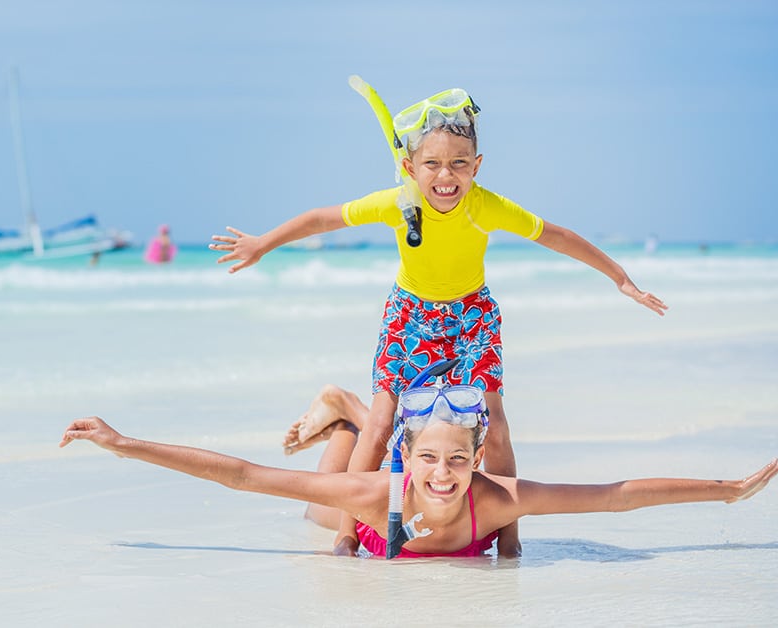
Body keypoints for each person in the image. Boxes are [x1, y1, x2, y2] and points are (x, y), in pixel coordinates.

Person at [210, 86, 669, 557]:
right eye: (432, 164)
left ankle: (510, 538)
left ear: (477, 165)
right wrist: (263, 243)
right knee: (383, 423)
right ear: (410, 167)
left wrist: (621, 279)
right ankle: (346, 534)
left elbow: (557, 236)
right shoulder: (397, 203)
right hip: (410, 316)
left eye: (459, 163)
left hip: (473, 316)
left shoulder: (484, 206)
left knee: (495, 426)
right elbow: (323, 220)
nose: (446, 176)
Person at [58, 392, 778, 559]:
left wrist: (728, 491)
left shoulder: (497, 501)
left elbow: (612, 498)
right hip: (370, 519)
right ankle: (344, 417)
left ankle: (347, 413)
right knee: (314, 509)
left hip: (396, 504)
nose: (442, 474)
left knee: (341, 465)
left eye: (457, 461)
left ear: (475, 463)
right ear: (413, 460)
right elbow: (248, 476)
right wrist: (125, 445)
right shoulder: (379, 491)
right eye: (430, 459)